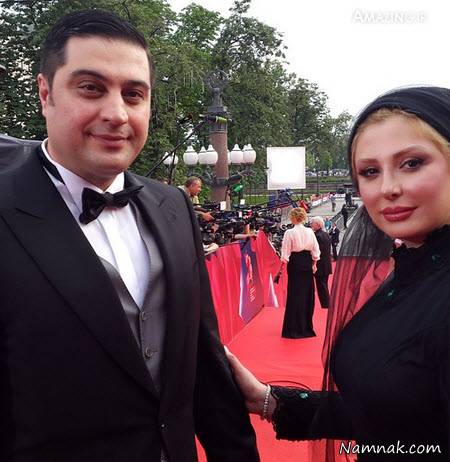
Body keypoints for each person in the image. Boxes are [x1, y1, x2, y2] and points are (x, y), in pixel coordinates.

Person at [0, 10, 259, 462]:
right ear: (45, 94)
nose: (117, 114)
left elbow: (205, 363)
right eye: (91, 88)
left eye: (134, 94)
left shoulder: (173, 206)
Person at [226, 86, 450, 461]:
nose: (388, 188)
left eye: (412, 163)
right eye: (369, 171)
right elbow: (390, 411)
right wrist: (268, 400)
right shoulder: (409, 271)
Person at [279, 207, 320, 338]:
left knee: (295, 295)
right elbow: (316, 251)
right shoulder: (310, 231)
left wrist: (280, 268)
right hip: (307, 264)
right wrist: (314, 264)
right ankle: (305, 327)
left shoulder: (289, 233)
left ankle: (294, 327)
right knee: (307, 295)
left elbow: (285, 254)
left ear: (292, 218)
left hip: (295, 265)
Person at [310, 216, 332, 308]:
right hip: (326, 264)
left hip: (320, 265)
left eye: (312, 223)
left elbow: (317, 252)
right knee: (324, 286)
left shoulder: (317, 236)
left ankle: (326, 305)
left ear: (318, 224)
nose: (311, 225)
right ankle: (327, 304)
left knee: (321, 287)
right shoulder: (326, 234)